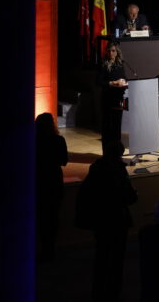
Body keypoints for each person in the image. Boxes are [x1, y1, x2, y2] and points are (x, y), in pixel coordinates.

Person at [76, 140, 137, 302]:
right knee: (117, 259)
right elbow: (129, 196)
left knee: (101, 256)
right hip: (117, 219)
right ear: (119, 154)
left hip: (100, 220)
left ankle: (98, 292)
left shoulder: (96, 168)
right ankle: (113, 293)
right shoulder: (118, 170)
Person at [35, 112, 68, 262]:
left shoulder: (34, 141)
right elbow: (64, 161)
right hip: (54, 181)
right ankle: (50, 250)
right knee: (53, 217)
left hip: (39, 180)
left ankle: (41, 249)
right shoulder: (58, 140)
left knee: (40, 217)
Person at [99, 41, 128, 144]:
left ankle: (117, 147)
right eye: (109, 51)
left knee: (117, 123)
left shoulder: (120, 64)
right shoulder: (103, 64)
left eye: (113, 51)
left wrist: (124, 81)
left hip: (118, 97)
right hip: (107, 98)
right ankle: (107, 147)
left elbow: (124, 78)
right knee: (107, 124)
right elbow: (99, 81)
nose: (111, 53)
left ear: (117, 52)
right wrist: (113, 83)